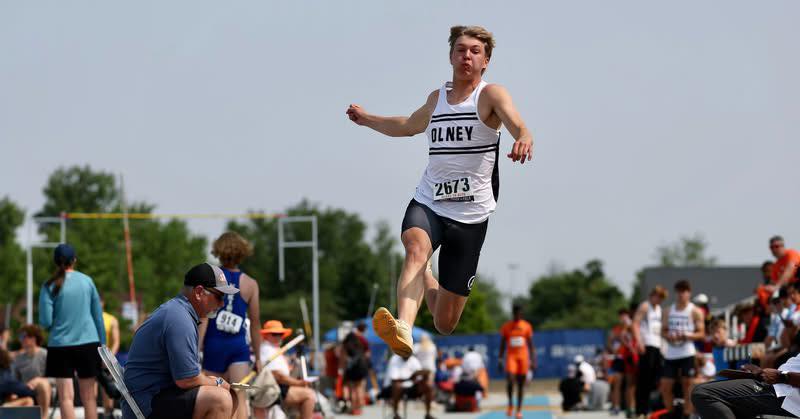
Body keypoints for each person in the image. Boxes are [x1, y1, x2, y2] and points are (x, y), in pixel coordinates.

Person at [347, 25, 535, 357]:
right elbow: (407, 126)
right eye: (461, 49)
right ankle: (403, 328)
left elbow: (517, 123)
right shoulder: (437, 98)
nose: (467, 56)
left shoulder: (491, 95)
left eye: (475, 51)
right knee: (415, 248)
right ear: (450, 56)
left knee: (445, 321)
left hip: (470, 216)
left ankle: (428, 280)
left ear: (486, 61)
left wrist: (523, 137)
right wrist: (366, 119)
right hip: (430, 201)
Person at [122, 263, 239, 419]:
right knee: (220, 399)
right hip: (147, 402)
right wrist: (217, 382)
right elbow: (186, 379)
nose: (222, 304)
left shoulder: (179, 312)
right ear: (199, 292)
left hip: (154, 395)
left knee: (229, 395)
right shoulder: (179, 319)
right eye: (219, 296)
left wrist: (211, 381)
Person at [39, 243, 106, 419]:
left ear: (55, 262)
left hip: (60, 345)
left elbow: (45, 322)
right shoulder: (87, 281)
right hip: (88, 342)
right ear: (74, 260)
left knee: (66, 398)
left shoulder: (49, 285)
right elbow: (98, 317)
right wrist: (103, 345)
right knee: (89, 398)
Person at [200, 232, 262, 419]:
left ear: (218, 251)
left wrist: (195, 349)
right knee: (239, 396)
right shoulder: (250, 284)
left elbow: (203, 317)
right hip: (238, 349)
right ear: (242, 253)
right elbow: (255, 323)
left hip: (214, 346)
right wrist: (258, 357)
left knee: (215, 396)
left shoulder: (210, 278)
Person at [691, 356, 800, 418]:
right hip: (779, 388)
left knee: (703, 393)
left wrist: (780, 376)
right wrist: (763, 373)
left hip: (783, 394)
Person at [660, 279, 705, 418]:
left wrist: (686, 335)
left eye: (684, 291)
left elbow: (702, 333)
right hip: (671, 353)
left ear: (689, 293)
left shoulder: (695, 311)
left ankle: (687, 414)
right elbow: (663, 331)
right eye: (679, 291)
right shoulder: (668, 310)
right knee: (665, 386)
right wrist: (670, 336)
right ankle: (671, 413)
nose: (681, 294)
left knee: (688, 386)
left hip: (687, 352)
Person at [256, 320, 316, 419]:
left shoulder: (273, 349)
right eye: (275, 334)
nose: (279, 336)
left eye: (281, 334)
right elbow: (277, 375)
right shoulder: (267, 349)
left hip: (278, 387)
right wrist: (298, 383)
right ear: (266, 335)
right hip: (274, 389)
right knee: (309, 395)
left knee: (305, 396)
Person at [631, 285, 666, 417]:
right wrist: (639, 341)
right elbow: (635, 323)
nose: (659, 300)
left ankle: (651, 408)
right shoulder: (645, 306)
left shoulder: (659, 309)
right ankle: (640, 410)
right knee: (644, 380)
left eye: (661, 298)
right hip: (647, 344)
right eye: (657, 296)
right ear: (652, 295)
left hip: (657, 346)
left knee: (655, 380)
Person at [498, 305, 536, 418]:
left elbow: (531, 345)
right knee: (510, 380)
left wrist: (533, 360)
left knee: (521, 384)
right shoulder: (507, 327)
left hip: (523, 358)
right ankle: (510, 404)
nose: (518, 315)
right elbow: (502, 343)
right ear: (513, 313)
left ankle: (518, 410)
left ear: (521, 314)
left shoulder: (526, 326)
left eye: (520, 313)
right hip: (511, 357)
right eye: (516, 313)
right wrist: (500, 358)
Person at [11, 325, 51, 419]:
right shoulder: (18, 359)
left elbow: (56, 378)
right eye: (20, 337)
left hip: (45, 390)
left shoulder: (45, 355)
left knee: (42, 384)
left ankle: (44, 417)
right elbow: (14, 380)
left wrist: (38, 380)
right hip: (25, 390)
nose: (22, 339)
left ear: (34, 338)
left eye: (24, 336)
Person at [382, 354, 435, 419]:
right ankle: (395, 413)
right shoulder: (394, 359)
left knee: (428, 385)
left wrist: (423, 376)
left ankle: (428, 414)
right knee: (397, 386)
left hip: (410, 387)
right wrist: (410, 378)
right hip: (393, 388)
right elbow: (394, 379)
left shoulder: (413, 360)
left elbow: (419, 376)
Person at [341, 325, 369, 414]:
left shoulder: (346, 343)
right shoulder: (361, 340)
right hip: (362, 365)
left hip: (352, 367)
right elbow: (368, 353)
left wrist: (343, 368)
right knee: (360, 387)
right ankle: (359, 408)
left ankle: (353, 408)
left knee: (352, 388)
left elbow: (343, 357)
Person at [100, 297, 120, 419]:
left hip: (105, 359)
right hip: (90, 357)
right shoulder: (88, 318)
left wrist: (108, 358)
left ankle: (109, 413)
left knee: (107, 391)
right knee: (89, 391)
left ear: (103, 302)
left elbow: (116, 341)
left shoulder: (111, 319)